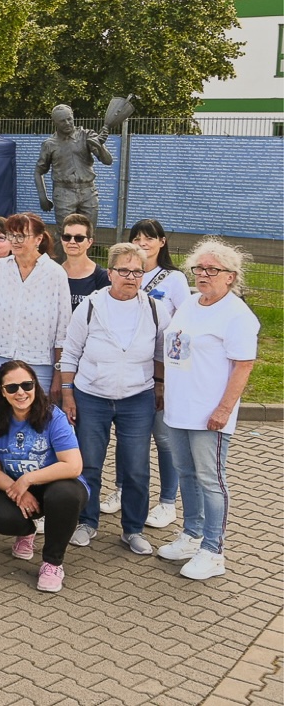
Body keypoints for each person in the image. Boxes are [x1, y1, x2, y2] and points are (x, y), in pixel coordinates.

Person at [156, 238, 259, 581]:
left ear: (230, 276)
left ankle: (214, 550)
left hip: (209, 414)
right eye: (199, 268)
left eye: (212, 270)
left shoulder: (236, 315)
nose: (203, 274)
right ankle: (191, 534)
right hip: (178, 409)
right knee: (187, 474)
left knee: (211, 480)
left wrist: (224, 410)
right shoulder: (188, 302)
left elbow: (243, 366)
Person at [60, 242, 169, 556]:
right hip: (91, 396)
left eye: (138, 271)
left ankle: (132, 529)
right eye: (124, 270)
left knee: (136, 467)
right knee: (89, 463)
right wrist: (68, 394)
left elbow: (162, 353)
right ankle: (86, 521)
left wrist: (159, 386)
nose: (131, 277)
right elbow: (70, 353)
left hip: (137, 398)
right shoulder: (91, 307)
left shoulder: (154, 309)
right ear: (110, 273)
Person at [99, 218, 191, 525]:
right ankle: (122, 489)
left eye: (149, 238)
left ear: (162, 242)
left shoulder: (174, 279)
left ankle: (167, 501)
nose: (143, 242)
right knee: (129, 438)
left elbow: (182, 325)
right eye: (137, 237)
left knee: (163, 438)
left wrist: (166, 377)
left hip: (163, 371)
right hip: (130, 369)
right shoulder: (121, 272)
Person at [0, 360, 87, 593]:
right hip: (18, 486)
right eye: (12, 388)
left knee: (63, 495)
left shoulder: (54, 417)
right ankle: (26, 531)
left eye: (27, 385)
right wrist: (18, 490)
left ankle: (52, 563)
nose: (20, 392)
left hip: (58, 485)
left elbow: (73, 466)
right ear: (2, 392)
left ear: (35, 385)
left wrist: (27, 479)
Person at [0, 212, 71, 399]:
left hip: (38, 361)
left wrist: (58, 372)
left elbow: (63, 328)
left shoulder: (55, 274)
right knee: (1, 415)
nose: (15, 240)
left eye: (21, 235)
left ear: (39, 238)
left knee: (36, 418)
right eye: (11, 235)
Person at [35, 104, 112, 231]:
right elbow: (38, 171)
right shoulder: (49, 144)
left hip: (88, 192)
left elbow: (108, 161)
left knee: (89, 234)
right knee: (65, 234)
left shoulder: (86, 135)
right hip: (64, 192)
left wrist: (100, 146)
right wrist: (43, 197)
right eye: (62, 121)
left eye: (69, 119)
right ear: (54, 122)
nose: (67, 123)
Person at [60, 213, 109, 309]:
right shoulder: (54, 273)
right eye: (67, 237)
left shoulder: (102, 277)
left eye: (79, 238)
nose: (72, 242)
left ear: (89, 242)